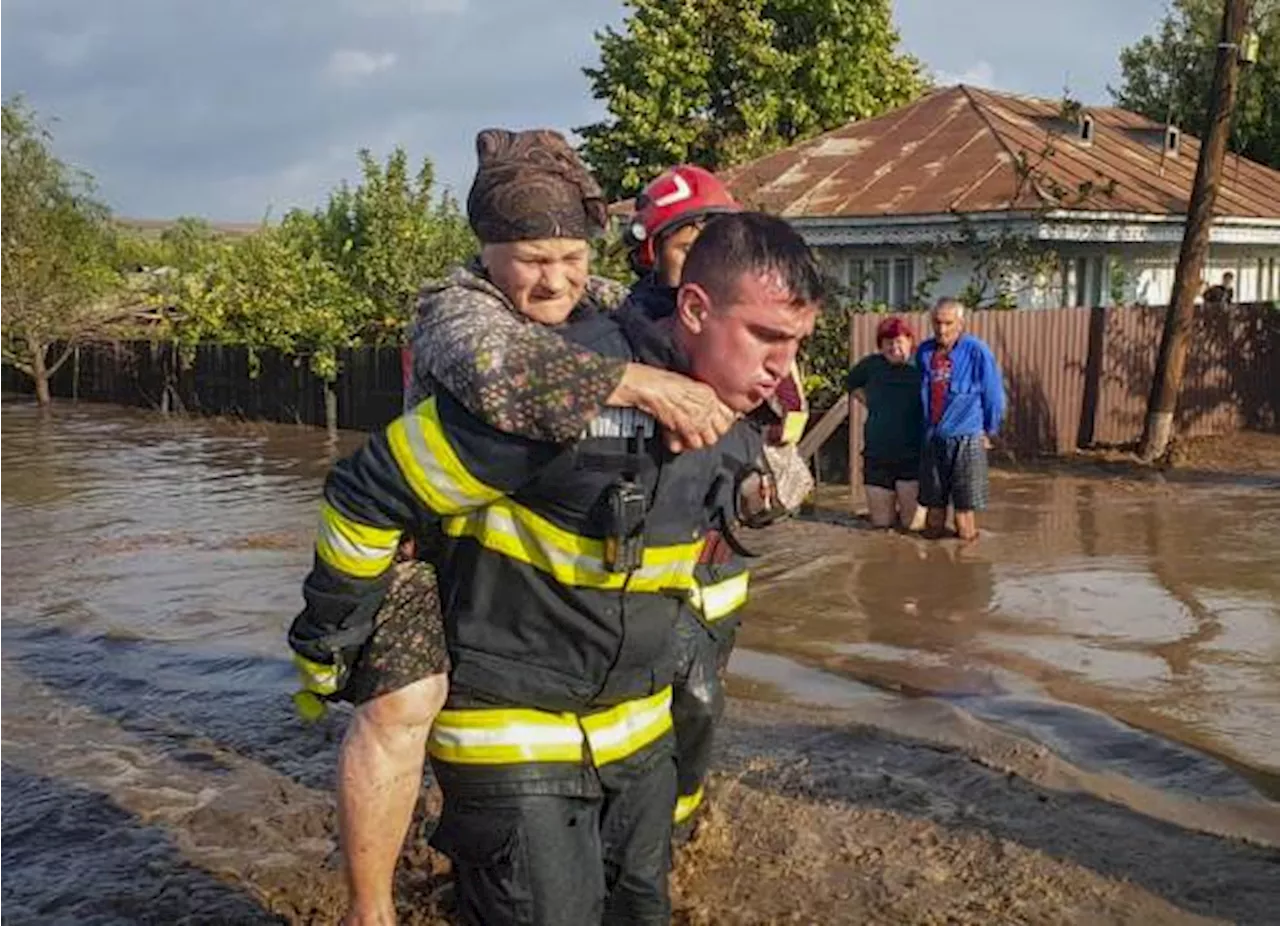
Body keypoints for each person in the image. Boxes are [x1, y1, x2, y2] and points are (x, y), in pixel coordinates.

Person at [290, 211, 823, 925]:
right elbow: (367, 491)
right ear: (695, 308)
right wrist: (330, 640)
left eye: (796, 344)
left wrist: (755, 504)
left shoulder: (731, 409)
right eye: (767, 337)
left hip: (635, 737)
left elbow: (698, 546)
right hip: (515, 734)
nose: (782, 369)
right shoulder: (562, 392)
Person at [625, 165, 809, 834]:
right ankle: (656, 823)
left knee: (702, 696)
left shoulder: (763, 337)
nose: (703, 252)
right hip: (650, 558)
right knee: (681, 696)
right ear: (653, 254)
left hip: (720, 561)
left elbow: (782, 423)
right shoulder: (626, 339)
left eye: (715, 237)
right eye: (685, 243)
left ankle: (683, 811)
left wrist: (780, 477)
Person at [916, 298, 1005, 542]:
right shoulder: (924, 352)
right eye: (937, 323)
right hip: (933, 438)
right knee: (933, 511)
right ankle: (933, 568)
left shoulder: (977, 351)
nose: (942, 330)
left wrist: (990, 430)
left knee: (964, 515)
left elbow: (993, 394)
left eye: (948, 323)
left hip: (966, 438)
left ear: (961, 323)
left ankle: (966, 567)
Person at [846, 315, 925, 530]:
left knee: (913, 527)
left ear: (910, 340)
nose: (894, 347)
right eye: (887, 342)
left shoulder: (921, 365)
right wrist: (871, 402)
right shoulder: (871, 366)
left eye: (899, 341)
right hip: (877, 455)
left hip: (913, 456)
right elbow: (851, 383)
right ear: (880, 345)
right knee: (881, 527)